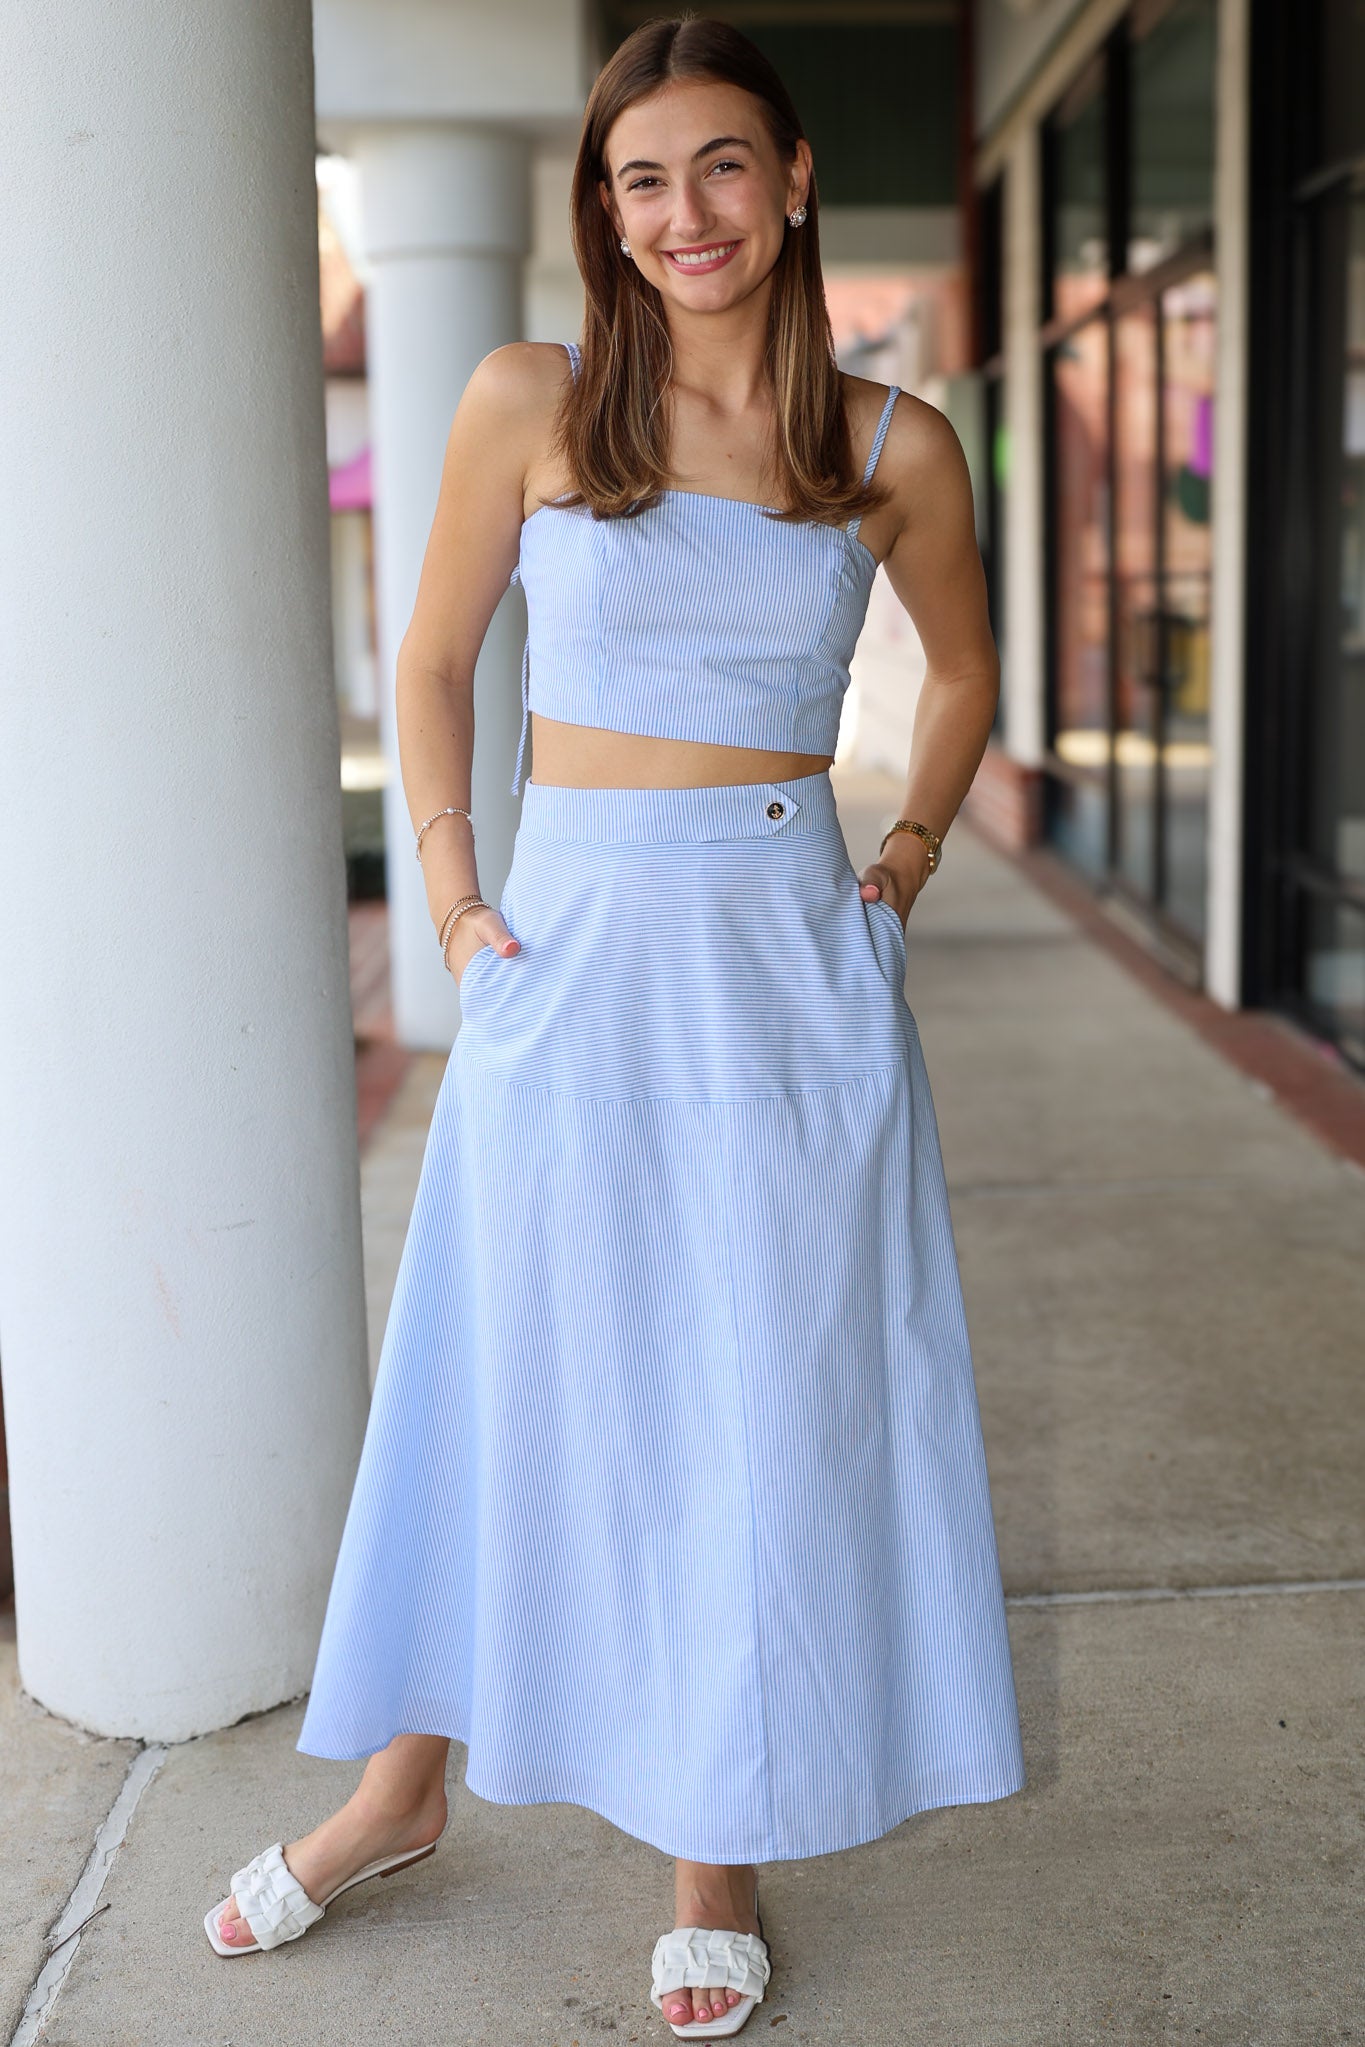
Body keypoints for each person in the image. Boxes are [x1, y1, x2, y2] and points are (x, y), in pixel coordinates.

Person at [203, 15, 1026, 2038]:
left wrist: (900, 863)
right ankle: (398, 1787)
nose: (683, 216)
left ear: (799, 176)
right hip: (566, 949)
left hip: (782, 966)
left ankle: (708, 1840)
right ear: (601, 211)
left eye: (721, 167)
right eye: (640, 181)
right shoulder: (527, 398)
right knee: (507, 1365)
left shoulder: (886, 444)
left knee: (748, 1391)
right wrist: (461, 896)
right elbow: (430, 654)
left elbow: (962, 683)